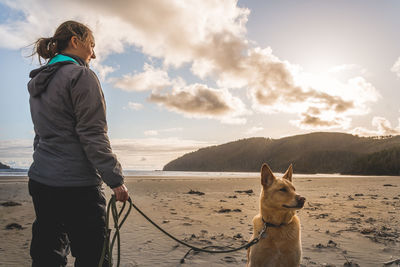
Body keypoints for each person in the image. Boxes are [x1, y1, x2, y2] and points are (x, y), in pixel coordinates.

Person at [27, 20, 129, 267]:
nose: (93, 54)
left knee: (47, 255)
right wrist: (115, 180)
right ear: (75, 41)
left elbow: (40, 136)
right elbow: (92, 133)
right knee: (93, 256)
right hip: (78, 186)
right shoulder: (81, 76)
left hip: (41, 181)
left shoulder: (39, 82)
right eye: (91, 45)